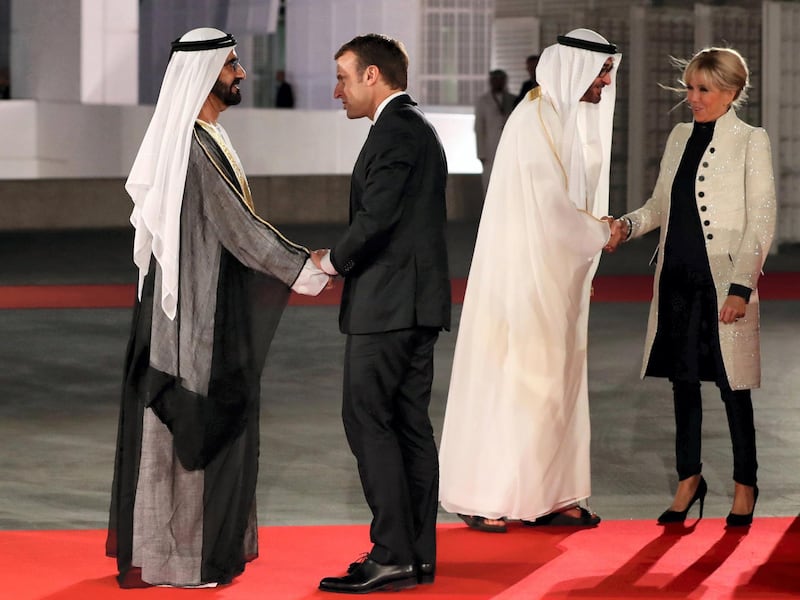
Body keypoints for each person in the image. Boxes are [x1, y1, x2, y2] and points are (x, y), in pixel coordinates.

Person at [106, 27, 329, 588]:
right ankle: (181, 562)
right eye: (233, 64)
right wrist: (306, 268)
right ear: (206, 74)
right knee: (192, 426)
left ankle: (172, 555)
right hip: (193, 316)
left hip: (192, 304)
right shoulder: (196, 146)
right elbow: (241, 229)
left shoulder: (201, 137)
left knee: (180, 429)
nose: (242, 73)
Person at [438, 29, 622, 533]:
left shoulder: (571, 120)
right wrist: (602, 234)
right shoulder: (533, 118)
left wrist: (591, 248)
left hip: (561, 277)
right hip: (522, 277)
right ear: (574, 69)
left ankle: (551, 493)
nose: (607, 82)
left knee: (556, 385)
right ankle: (485, 495)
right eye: (602, 72)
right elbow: (552, 208)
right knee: (517, 382)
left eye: (609, 71)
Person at [606, 47, 776, 527]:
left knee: (732, 387)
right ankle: (689, 479)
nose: (692, 98)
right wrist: (626, 224)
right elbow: (660, 204)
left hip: (723, 282)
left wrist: (742, 286)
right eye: (690, 88)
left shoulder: (751, 140)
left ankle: (746, 485)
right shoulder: (680, 136)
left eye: (703, 89)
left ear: (731, 92)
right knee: (683, 384)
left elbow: (762, 218)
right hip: (678, 277)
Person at [315, 33, 451, 594]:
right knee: (408, 426)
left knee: (369, 421)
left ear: (374, 76)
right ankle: (416, 554)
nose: (336, 90)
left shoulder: (396, 131)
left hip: (388, 308)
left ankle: (393, 553)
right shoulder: (415, 128)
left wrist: (331, 261)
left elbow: (377, 218)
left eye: (344, 77)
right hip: (412, 306)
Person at [474, 69, 517, 196]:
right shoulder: (483, 101)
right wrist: (481, 153)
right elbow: (479, 128)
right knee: (489, 186)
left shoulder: (512, 99)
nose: (497, 82)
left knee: (508, 186)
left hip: (509, 149)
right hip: (489, 151)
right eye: (495, 80)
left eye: (500, 80)